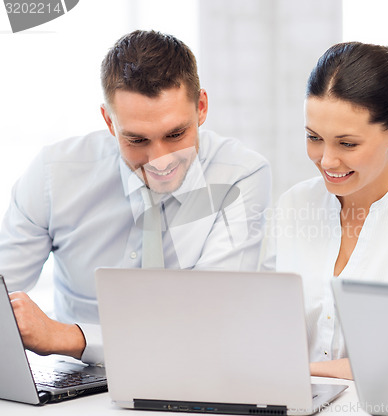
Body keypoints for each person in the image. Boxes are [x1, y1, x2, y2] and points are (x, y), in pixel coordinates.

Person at [0, 30, 271, 365]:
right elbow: (3, 294)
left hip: (193, 375)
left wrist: (67, 336)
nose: (160, 160)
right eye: (137, 140)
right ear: (109, 122)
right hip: (71, 386)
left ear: (201, 107)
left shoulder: (240, 176)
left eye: (175, 135)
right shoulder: (52, 176)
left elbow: (209, 323)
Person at [262, 42, 388, 379]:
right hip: (290, 398)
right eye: (314, 137)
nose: (327, 160)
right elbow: (260, 325)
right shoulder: (293, 205)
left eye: (347, 143)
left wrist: (304, 371)